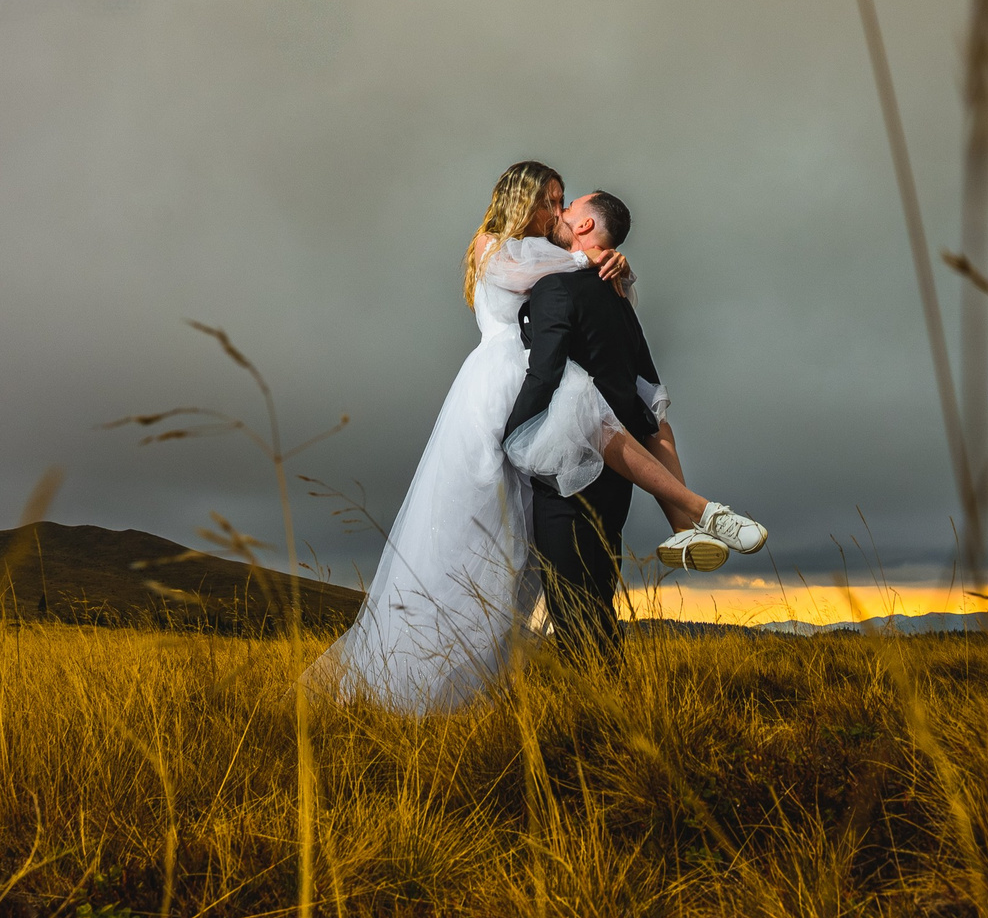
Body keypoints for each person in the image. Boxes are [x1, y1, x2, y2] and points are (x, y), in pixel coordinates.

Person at [307, 162, 764, 713]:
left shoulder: (552, 259)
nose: (557, 211)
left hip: (533, 379)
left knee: (530, 531)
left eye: (564, 202)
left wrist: (612, 267)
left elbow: (579, 287)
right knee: (485, 522)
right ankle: (692, 512)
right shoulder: (494, 245)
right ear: (523, 199)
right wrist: (598, 258)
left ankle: (688, 519)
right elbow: (548, 272)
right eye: (552, 201)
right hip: (503, 384)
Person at [502, 189, 765, 668]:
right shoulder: (617, 294)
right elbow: (643, 380)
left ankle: (597, 716)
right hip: (620, 470)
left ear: (584, 227)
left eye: (568, 208)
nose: (559, 213)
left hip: (569, 465)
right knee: (598, 593)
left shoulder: (555, 288)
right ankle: (686, 524)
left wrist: (512, 434)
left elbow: (544, 372)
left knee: (571, 602)